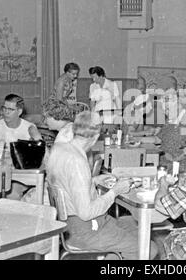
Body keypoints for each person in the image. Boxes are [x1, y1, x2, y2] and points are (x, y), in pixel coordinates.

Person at [46, 111, 158, 260]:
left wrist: (94, 180)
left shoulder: (59, 149)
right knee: (148, 248)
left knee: (136, 225)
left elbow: (66, 185)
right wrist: (115, 192)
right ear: (96, 136)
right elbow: (86, 213)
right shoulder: (77, 161)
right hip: (85, 230)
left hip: (67, 225)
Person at [0, 94, 42, 199]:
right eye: (4, 108)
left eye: (10, 109)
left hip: (21, 175)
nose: (6, 112)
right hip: (1, 172)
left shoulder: (29, 128)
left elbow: (38, 153)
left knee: (11, 193)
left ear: (19, 112)